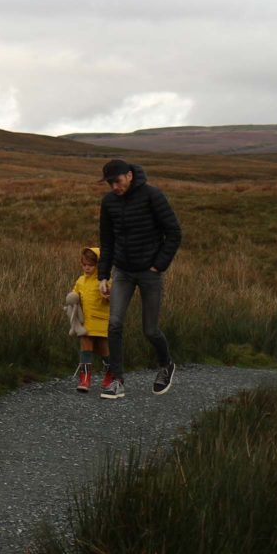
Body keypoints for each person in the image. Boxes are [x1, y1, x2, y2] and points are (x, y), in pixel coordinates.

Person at [96, 159, 181, 399]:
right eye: (110, 183)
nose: (114, 187)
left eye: (117, 181)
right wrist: (103, 275)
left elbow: (174, 232)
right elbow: (107, 241)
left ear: (130, 175)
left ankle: (166, 365)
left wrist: (158, 265)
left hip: (149, 273)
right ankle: (117, 380)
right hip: (122, 272)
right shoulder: (109, 202)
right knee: (114, 324)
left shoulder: (152, 195)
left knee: (150, 330)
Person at [65, 246, 110, 393]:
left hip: (101, 320)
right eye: (84, 265)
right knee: (85, 345)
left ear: (98, 265)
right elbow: (75, 293)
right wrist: (72, 297)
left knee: (103, 348)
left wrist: (107, 295)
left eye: (90, 265)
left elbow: (110, 296)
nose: (87, 268)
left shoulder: (104, 280)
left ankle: (110, 372)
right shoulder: (81, 280)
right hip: (85, 321)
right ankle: (85, 379)